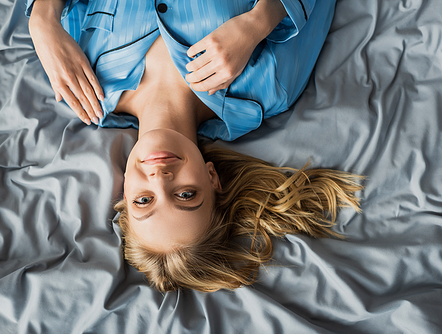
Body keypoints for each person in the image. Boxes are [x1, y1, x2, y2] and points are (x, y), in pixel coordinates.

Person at [27, 0, 363, 292]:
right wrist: (261, 19)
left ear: (124, 193)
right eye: (186, 195)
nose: (160, 177)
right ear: (212, 178)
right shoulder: (264, 90)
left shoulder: (81, 87)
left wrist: (42, 16)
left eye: (144, 200)